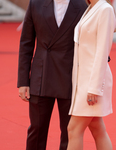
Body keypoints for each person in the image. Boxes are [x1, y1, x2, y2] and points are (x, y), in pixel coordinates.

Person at [17, 0, 87, 150]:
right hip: (41, 75)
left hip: (70, 77)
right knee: (37, 129)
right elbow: (26, 43)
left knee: (70, 132)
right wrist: (23, 81)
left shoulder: (82, 6)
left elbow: (89, 42)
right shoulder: (36, 3)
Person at [67, 0, 116, 149]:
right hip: (82, 81)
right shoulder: (90, 8)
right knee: (97, 129)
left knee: (73, 129)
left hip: (92, 83)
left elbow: (102, 51)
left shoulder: (105, 9)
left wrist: (94, 88)